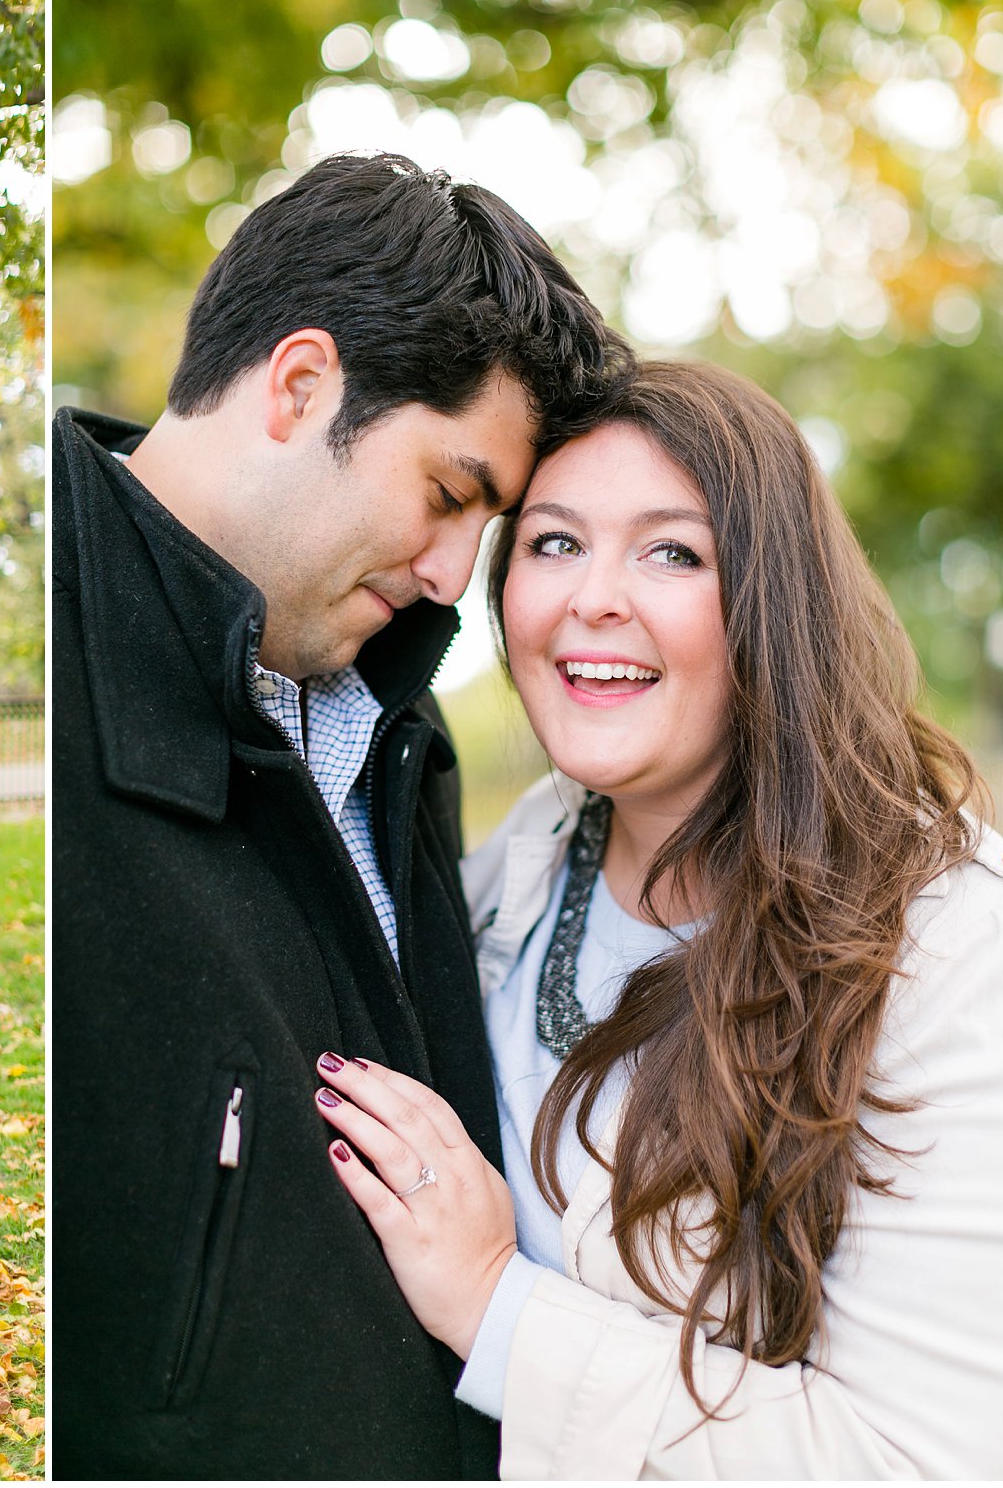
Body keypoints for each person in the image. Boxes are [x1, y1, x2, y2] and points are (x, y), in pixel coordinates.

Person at [315, 361, 1003, 1478]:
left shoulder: (956, 946)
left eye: (672, 551)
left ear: (773, 598)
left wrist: (494, 1307)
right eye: (553, 542)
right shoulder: (522, 855)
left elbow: (914, 1458)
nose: (592, 598)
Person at [52, 151, 633, 1478]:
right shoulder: (58, 688)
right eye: (447, 495)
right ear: (302, 385)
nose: (449, 575)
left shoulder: (395, 731)